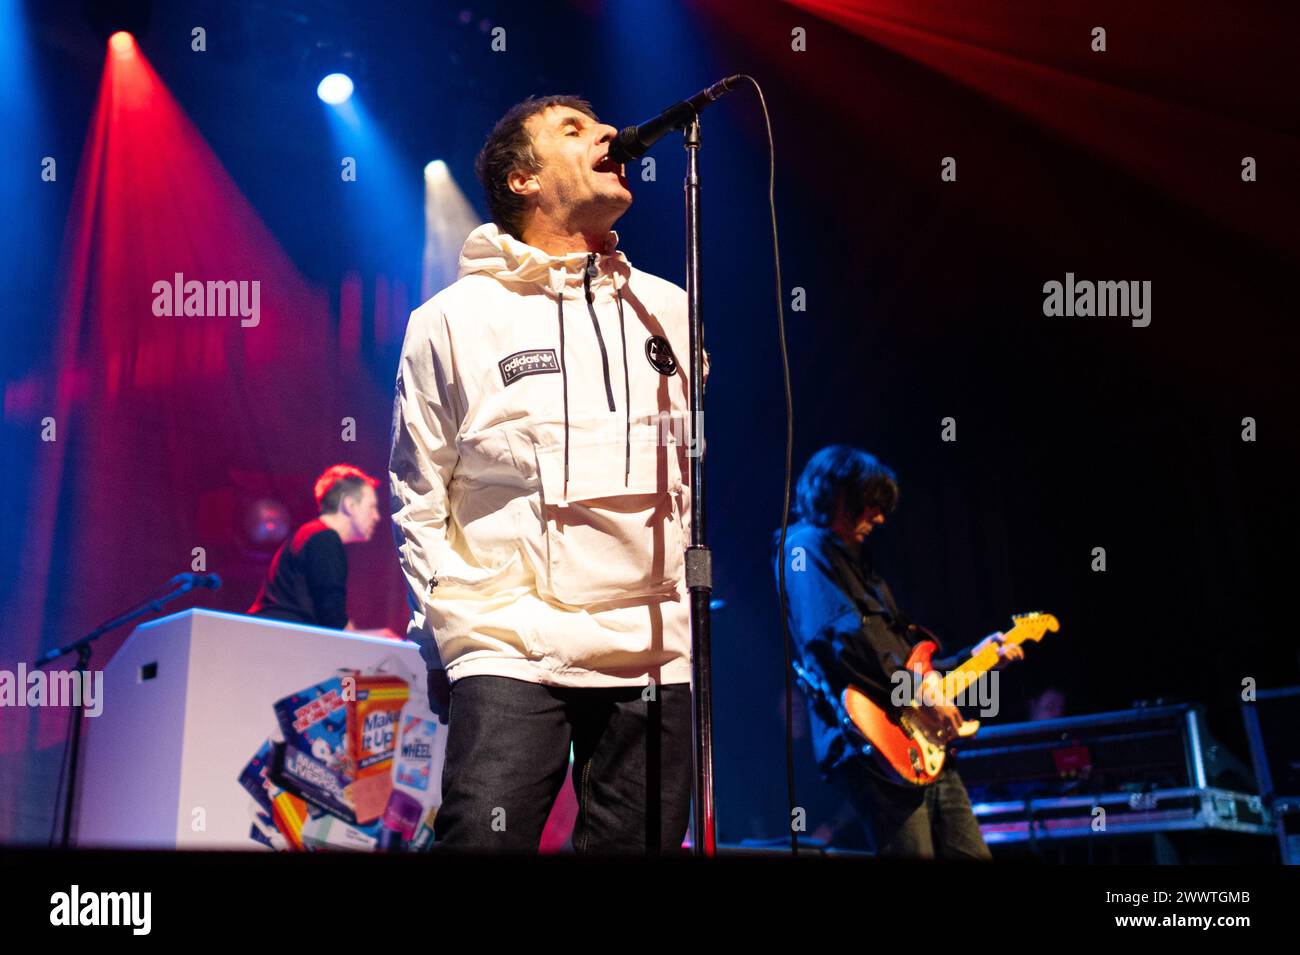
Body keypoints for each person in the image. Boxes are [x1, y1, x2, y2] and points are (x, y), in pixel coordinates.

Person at [389, 94, 707, 853]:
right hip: (508, 637)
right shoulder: (451, 318)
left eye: (600, 123)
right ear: (523, 179)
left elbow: (689, 477)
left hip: (653, 642)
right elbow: (418, 490)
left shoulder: (670, 307)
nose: (607, 133)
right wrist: (445, 631)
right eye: (575, 129)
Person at [772, 445, 1022, 859]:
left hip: (923, 739)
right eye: (871, 504)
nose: (880, 517)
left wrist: (974, 657)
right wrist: (921, 696)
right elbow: (843, 642)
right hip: (877, 744)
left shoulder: (865, 572)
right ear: (838, 493)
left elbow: (909, 660)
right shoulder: (802, 548)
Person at [248, 464, 384, 631]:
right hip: (278, 642)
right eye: (371, 507)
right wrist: (378, 641)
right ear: (349, 505)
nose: (377, 516)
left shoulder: (311, 534)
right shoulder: (325, 539)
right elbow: (333, 620)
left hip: (270, 637)